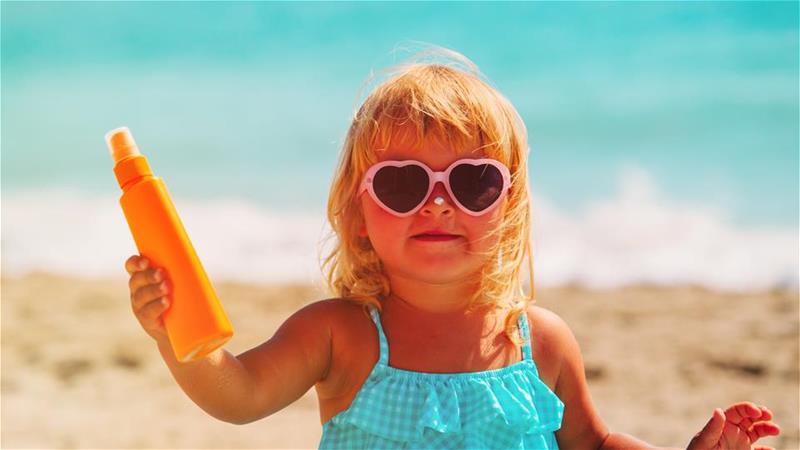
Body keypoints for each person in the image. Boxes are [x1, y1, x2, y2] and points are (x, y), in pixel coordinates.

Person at [124, 48, 780, 449]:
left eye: (472, 182)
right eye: (404, 183)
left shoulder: (540, 342)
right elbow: (237, 396)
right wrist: (171, 334)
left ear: (510, 207)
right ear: (357, 213)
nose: (439, 203)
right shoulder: (341, 334)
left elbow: (595, 443)